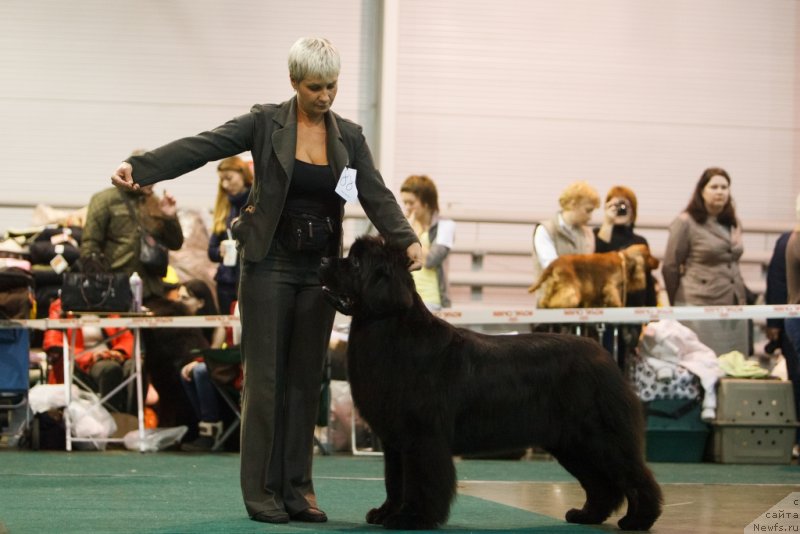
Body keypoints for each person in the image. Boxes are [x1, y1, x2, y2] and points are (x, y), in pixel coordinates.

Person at [109, 37, 421, 524]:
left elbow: (374, 192)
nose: (325, 95)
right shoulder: (264, 122)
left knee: (304, 383)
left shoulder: (350, 138)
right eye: (315, 86)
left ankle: (299, 489)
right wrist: (142, 168)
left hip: (321, 271)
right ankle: (261, 493)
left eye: (332, 86)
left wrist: (405, 239)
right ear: (294, 82)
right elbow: (204, 145)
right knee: (266, 381)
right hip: (268, 264)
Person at [662, 167, 748, 356]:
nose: (720, 191)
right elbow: (670, 266)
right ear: (702, 191)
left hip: (733, 303)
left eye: (724, 187)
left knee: (733, 362)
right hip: (698, 304)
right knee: (701, 360)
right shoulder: (685, 222)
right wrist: (677, 298)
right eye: (714, 187)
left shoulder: (734, 222)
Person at [81, 155, 184, 300]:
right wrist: (99, 281)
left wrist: (170, 218)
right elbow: (90, 244)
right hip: (115, 286)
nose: (153, 183)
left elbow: (175, 243)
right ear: (132, 174)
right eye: (149, 176)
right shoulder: (105, 200)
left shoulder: (156, 202)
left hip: (152, 288)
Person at [43, 298, 135, 414]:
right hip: (81, 362)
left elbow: (127, 337)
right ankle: (112, 421)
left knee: (135, 367)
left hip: (111, 355)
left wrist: (120, 352)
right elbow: (51, 343)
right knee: (110, 369)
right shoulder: (61, 306)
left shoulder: (108, 303)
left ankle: (133, 421)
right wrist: (90, 356)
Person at [531, 180, 599, 300]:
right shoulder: (545, 230)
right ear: (573, 204)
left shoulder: (588, 233)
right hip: (552, 300)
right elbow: (551, 266)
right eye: (587, 210)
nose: (590, 217)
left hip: (580, 302)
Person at [594, 185, 657, 307]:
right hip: (604, 305)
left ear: (633, 210)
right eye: (615, 206)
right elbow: (597, 261)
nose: (620, 210)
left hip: (634, 307)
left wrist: (652, 314)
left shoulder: (640, 241)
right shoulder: (598, 235)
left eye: (625, 206)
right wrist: (608, 222)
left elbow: (648, 281)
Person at [399, 175, 455, 310]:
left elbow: (431, 260)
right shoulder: (405, 225)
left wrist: (410, 234)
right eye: (404, 203)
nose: (407, 207)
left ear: (426, 202)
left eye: (411, 203)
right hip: (405, 297)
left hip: (431, 300)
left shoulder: (445, 226)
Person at [208, 156, 253, 315]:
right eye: (222, 180)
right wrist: (219, 251)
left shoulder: (256, 203)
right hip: (226, 282)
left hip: (251, 278)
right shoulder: (223, 206)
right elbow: (211, 251)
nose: (225, 184)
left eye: (229, 178)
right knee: (228, 328)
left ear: (242, 173)